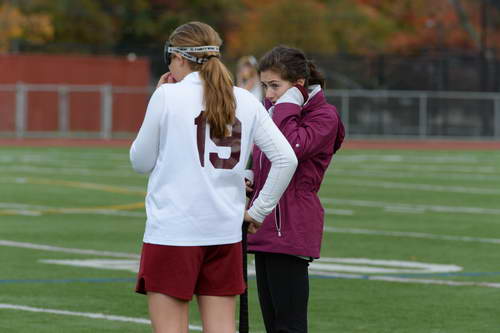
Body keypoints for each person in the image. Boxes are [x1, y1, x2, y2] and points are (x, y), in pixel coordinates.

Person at [129, 23, 298, 333]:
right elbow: (286, 159)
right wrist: (258, 211)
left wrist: (156, 99)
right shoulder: (245, 100)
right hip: (224, 232)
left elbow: (140, 162)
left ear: (178, 57)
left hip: (173, 232)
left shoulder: (167, 96)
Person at [246, 45, 345, 333]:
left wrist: (287, 103)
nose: (268, 94)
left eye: (275, 86)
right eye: (265, 86)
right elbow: (259, 152)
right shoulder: (275, 109)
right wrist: (249, 174)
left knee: (289, 326)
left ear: (298, 85)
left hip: (292, 224)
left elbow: (290, 148)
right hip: (264, 223)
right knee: (272, 323)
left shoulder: (325, 116)